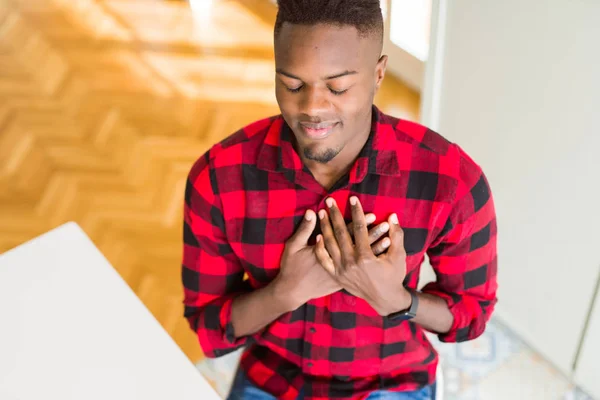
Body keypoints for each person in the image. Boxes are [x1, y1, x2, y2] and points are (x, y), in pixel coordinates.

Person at [181, 0, 498, 399]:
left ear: (378, 73)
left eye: (338, 86)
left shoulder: (451, 183)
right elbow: (209, 326)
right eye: (292, 84)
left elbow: (471, 314)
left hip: (393, 383)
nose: (312, 108)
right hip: (273, 379)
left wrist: (396, 299)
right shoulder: (218, 179)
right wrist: (285, 292)